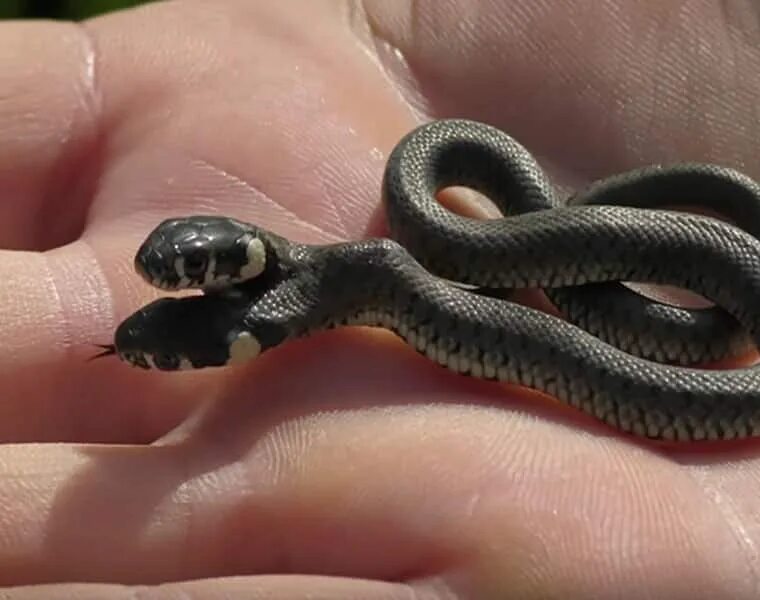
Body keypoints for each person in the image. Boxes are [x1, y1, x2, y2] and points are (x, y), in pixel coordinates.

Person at [1, 0, 758, 597]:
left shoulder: (374, 271)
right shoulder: (360, 277)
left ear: (246, 258)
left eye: (192, 266)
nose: (174, 279)